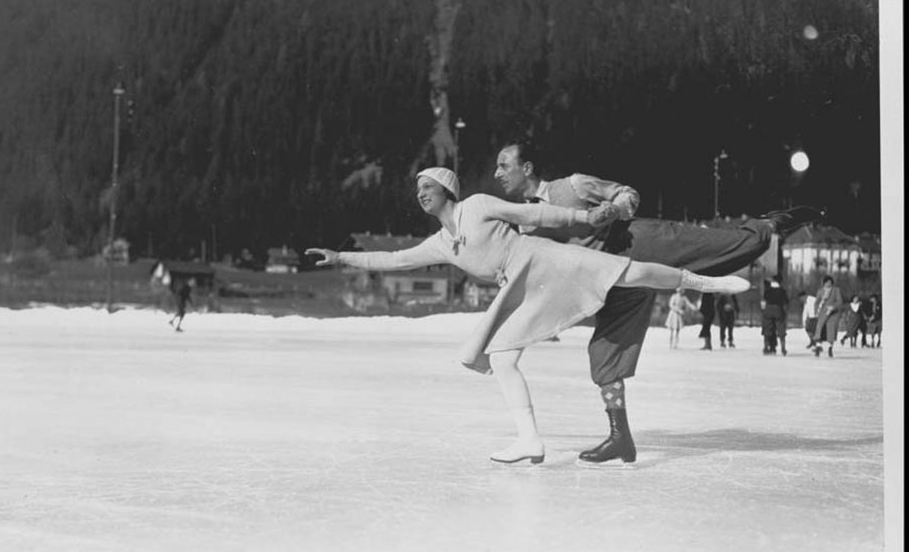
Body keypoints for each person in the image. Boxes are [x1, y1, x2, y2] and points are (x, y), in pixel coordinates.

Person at [306, 167, 750, 466]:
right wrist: (342, 257)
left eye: (428, 187)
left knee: (625, 273)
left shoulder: (477, 206)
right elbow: (396, 260)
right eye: (418, 189)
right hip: (518, 290)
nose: (421, 194)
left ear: (448, 191)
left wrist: (582, 215)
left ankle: (707, 283)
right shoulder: (443, 243)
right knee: (501, 357)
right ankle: (529, 440)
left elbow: (532, 212)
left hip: (542, 260)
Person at [492, 139, 823, 465]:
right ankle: (620, 438)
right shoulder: (526, 224)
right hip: (613, 281)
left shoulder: (574, 185)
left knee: (722, 249)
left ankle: (768, 224)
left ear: (527, 167)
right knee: (604, 355)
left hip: (638, 244)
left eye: (504, 165)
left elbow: (628, 194)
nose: (497, 173)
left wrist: (614, 208)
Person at [811, 275, 843, 357]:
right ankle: (818, 347)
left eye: (830, 282)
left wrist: (833, 307)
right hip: (822, 313)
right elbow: (816, 302)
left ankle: (830, 348)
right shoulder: (820, 291)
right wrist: (816, 311)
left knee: (830, 331)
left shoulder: (836, 290)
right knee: (819, 330)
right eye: (826, 282)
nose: (828, 284)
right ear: (824, 283)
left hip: (833, 314)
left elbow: (839, 302)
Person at [761, 274, 790, 356]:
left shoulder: (767, 290)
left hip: (768, 309)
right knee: (781, 328)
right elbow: (786, 302)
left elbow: (764, 300)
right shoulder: (782, 291)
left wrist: (763, 310)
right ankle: (783, 348)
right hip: (778, 310)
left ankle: (766, 347)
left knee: (767, 328)